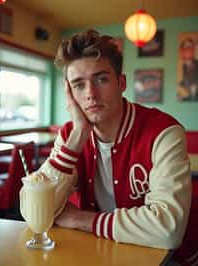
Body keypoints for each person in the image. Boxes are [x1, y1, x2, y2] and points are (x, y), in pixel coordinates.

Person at [36, 30, 192, 264]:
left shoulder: (164, 132)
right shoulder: (71, 135)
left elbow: (168, 231)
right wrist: (78, 137)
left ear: (121, 83)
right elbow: (36, 213)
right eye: (78, 85)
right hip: (100, 251)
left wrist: (80, 219)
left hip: (169, 259)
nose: (90, 94)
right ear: (69, 94)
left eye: (101, 79)